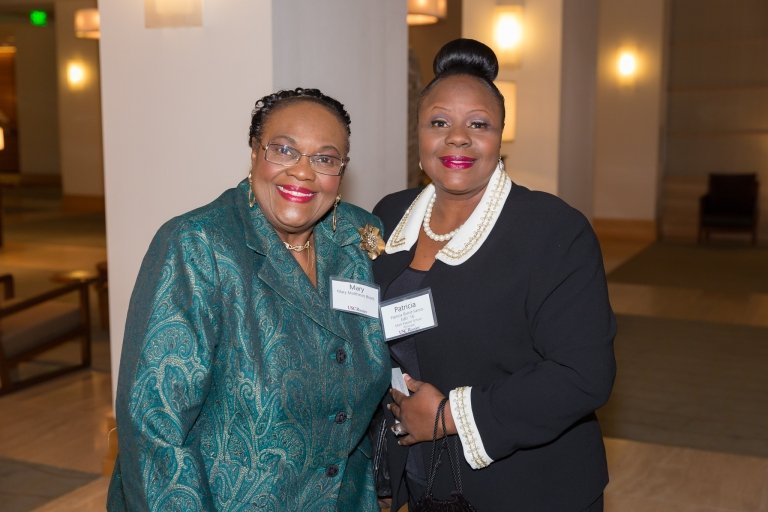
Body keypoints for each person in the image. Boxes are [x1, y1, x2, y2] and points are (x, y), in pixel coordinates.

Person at [107, 88, 390, 511]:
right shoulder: (197, 246)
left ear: (341, 171)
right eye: (284, 150)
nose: (303, 172)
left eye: (325, 159)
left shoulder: (356, 238)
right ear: (255, 153)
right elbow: (154, 427)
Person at [373, 39, 616, 511]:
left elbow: (584, 375)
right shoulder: (389, 216)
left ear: (500, 135)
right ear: (418, 134)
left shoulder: (552, 231)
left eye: (478, 124)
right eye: (439, 122)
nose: (457, 138)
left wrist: (449, 416)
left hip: (527, 486)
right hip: (421, 478)